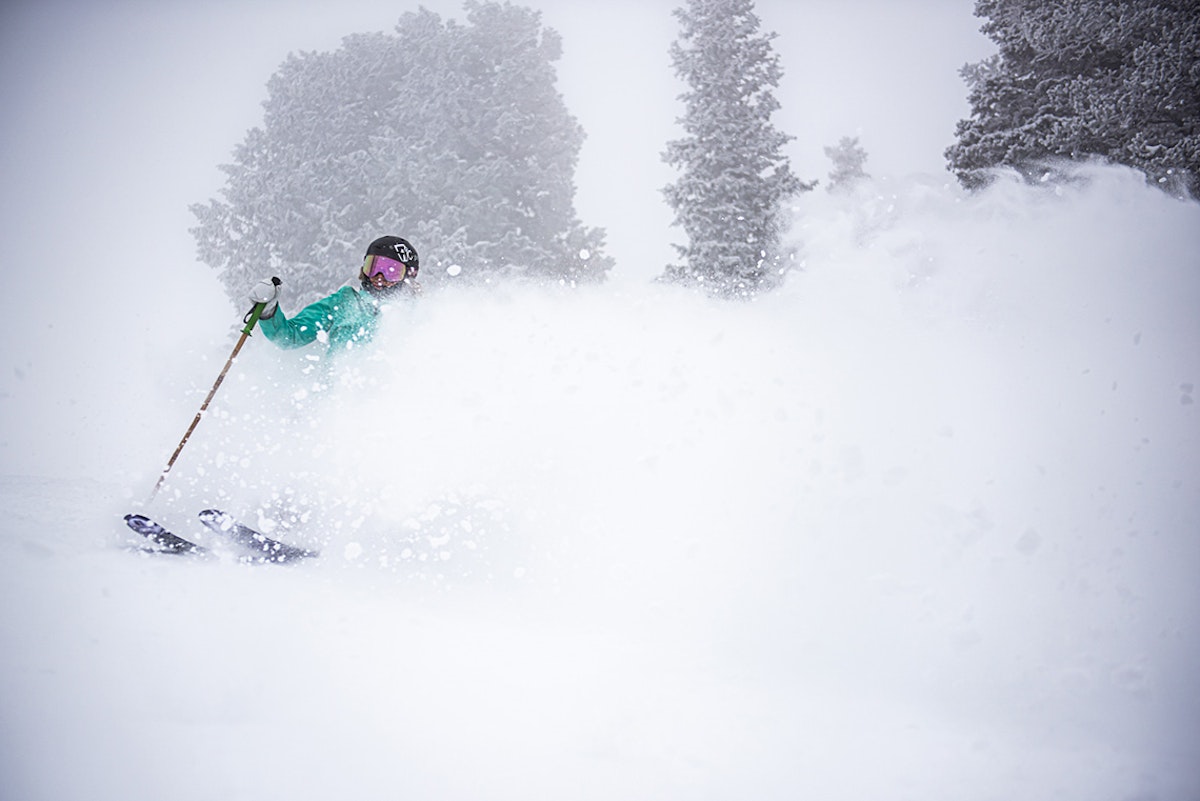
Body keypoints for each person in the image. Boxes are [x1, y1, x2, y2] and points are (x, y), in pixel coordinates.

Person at [248, 236, 420, 352]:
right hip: (338, 400)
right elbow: (289, 337)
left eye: (391, 271)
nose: (379, 278)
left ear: (408, 276)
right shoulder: (345, 302)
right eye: (373, 267)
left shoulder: (420, 313)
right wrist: (268, 312)